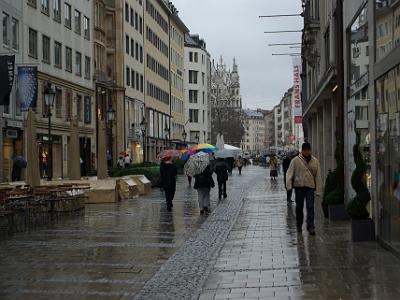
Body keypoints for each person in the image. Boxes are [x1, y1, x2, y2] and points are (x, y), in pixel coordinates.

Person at [286, 142, 323, 236]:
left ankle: (311, 226)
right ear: (302, 151)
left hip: (310, 187)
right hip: (299, 187)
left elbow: (318, 176)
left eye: (308, 150)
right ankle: (299, 225)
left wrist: (318, 190)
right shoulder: (295, 160)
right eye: (305, 150)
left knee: (310, 207)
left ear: (310, 150)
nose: (306, 152)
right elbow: (289, 173)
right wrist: (289, 186)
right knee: (299, 207)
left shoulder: (315, 161)